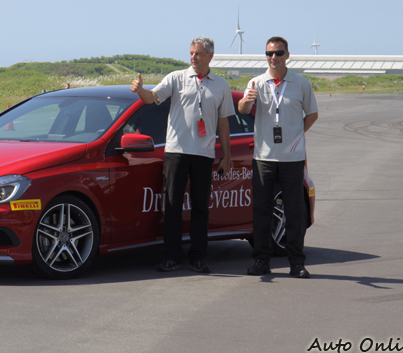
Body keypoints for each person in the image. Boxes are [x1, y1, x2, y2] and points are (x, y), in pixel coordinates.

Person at [131, 37, 234, 273]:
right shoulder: (176, 78)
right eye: (191, 53)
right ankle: (171, 257)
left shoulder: (221, 85)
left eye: (198, 53)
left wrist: (227, 156)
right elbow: (151, 98)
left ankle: (198, 257)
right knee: (172, 206)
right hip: (176, 153)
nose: (193, 57)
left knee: (200, 208)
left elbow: (223, 123)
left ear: (210, 56)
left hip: (204, 154)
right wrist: (140, 91)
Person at [238, 36, 319, 278]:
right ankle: (261, 260)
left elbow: (312, 114)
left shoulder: (301, 83)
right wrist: (245, 102)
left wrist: (296, 135)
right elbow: (242, 109)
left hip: (292, 159)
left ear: (287, 55)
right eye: (269, 53)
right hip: (264, 158)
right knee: (261, 210)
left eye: (278, 53)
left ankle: (296, 263)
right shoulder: (256, 82)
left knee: (294, 211)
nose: (273, 57)